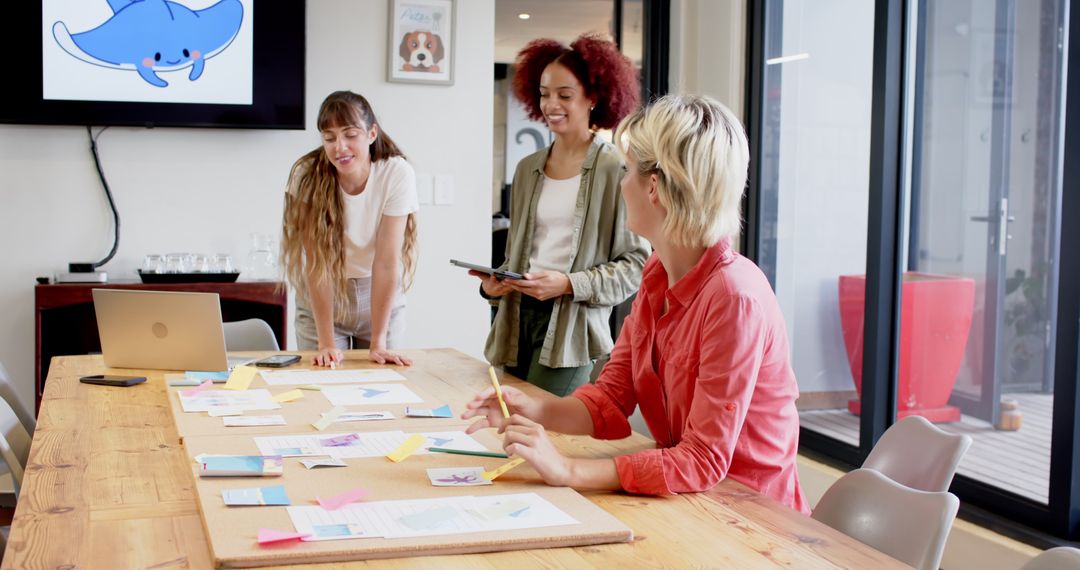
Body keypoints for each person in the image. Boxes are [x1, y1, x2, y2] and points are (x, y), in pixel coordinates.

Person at [463, 95, 809, 514]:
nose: (621, 182)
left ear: (654, 186)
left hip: (751, 517)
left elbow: (702, 460)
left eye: (627, 170)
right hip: (688, 502)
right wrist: (538, 411)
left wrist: (570, 470)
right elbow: (613, 396)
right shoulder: (657, 273)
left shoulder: (735, 297)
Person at [474, 34, 649, 396]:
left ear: (594, 97)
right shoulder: (528, 169)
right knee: (508, 424)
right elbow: (521, 255)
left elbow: (635, 265)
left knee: (542, 429)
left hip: (572, 327)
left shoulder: (614, 169)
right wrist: (494, 286)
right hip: (516, 318)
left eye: (565, 95)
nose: (552, 104)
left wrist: (568, 283)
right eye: (544, 93)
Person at [281, 91, 418, 368]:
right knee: (323, 382)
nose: (339, 147)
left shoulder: (395, 173)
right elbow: (317, 263)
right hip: (323, 295)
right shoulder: (306, 174)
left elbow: (386, 262)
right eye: (329, 138)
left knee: (382, 380)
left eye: (350, 134)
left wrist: (379, 341)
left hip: (377, 293)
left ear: (371, 133)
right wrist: (326, 343)